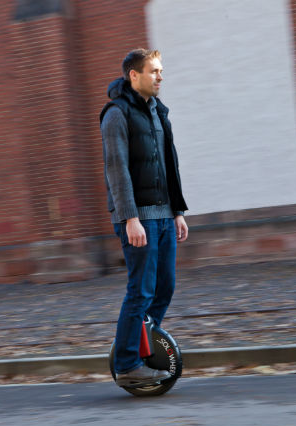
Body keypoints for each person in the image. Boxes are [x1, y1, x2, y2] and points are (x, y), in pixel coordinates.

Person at [100, 48, 188, 387]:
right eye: (154, 71)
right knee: (141, 290)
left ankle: (138, 343)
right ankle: (126, 365)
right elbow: (116, 170)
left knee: (164, 287)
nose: (160, 76)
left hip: (164, 216)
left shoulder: (159, 112)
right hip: (138, 220)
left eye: (161, 70)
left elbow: (170, 165)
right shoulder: (116, 114)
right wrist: (129, 218)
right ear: (133, 75)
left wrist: (177, 211)